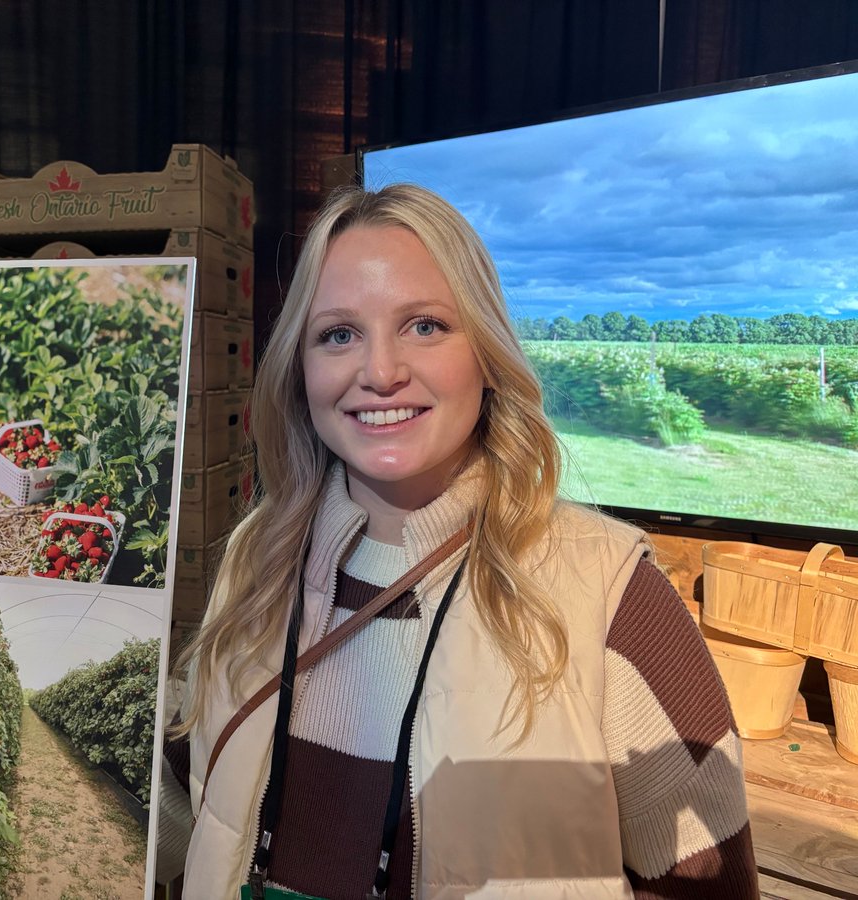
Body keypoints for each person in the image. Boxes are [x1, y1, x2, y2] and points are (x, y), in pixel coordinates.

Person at [158, 185, 758, 899]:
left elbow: (708, 882)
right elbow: (198, 799)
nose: (379, 373)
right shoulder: (256, 559)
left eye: (425, 326)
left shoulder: (610, 594)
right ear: (300, 367)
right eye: (338, 334)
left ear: (487, 352)